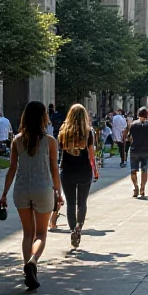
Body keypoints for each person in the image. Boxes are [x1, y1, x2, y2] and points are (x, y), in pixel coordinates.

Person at [0, 101, 62, 290]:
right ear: (44, 117)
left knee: (28, 233)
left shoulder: (17, 140)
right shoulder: (50, 141)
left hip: (22, 188)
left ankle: (28, 270)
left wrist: (4, 194)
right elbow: (54, 169)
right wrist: (58, 192)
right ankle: (33, 262)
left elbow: (12, 169)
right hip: (43, 189)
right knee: (41, 234)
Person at [58, 104, 98, 248]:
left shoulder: (63, 132)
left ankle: (71, 229)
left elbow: (61, 152)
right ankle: (78, 228)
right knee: (82, 203)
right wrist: (95, 169)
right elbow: (91, 155)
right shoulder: (89, 133)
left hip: (67, 170)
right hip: (84, 170)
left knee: (70, 203)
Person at [128, 107, 148, 198]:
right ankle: (142, 188)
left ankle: (136, 187)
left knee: (133, 170)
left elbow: (130, 138)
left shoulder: (133, 124)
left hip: (134, 150)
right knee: (144, 170)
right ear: (147, 115)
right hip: (146, 151)